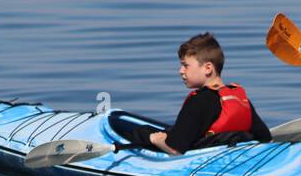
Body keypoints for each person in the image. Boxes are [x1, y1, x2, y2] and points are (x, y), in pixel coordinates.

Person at [113, 32, 271, 154]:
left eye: (185, 65)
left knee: (145, 133)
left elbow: (176, 150)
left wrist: (155, 140)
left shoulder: (198, 101)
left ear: (208, 68)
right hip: (231, 155)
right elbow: (265, 137)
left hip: (200, 162)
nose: (180, 71)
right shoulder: (239, 98)